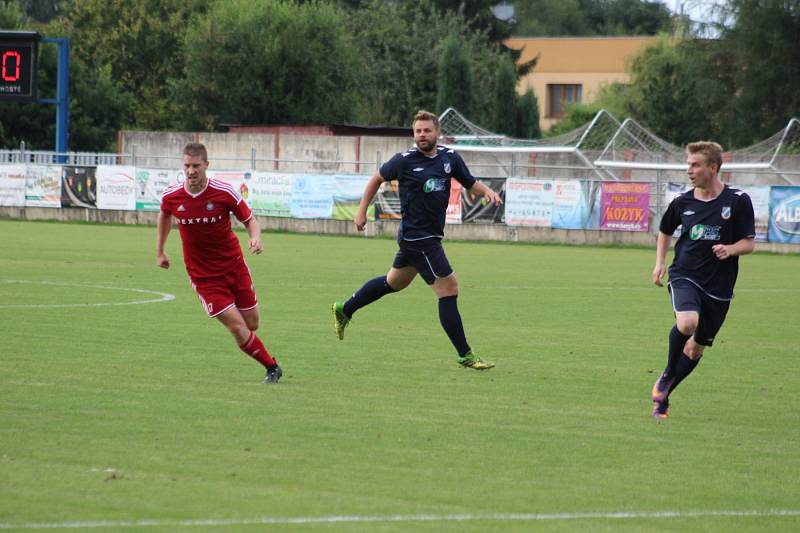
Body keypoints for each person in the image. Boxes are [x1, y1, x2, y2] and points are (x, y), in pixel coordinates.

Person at [332, 110, 503, 370]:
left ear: (437, 132)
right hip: (418, 237)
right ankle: (465, 355)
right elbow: (376, 179)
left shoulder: (449, 158)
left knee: (394, 283)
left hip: (427, 236)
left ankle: (345, 308)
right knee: (449, 289)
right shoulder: (403, 161)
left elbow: (469, 182)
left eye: (427, 130)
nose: (422, 135)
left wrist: (487, 191)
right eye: (418, 131)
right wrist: (360, 211)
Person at [156, 142, 282, 383]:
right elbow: (164, 214)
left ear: (206, 165)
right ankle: (272, 367)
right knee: (236, 326)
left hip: (234, 266)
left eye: (195, 166)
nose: (191, 171)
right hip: (204, 277)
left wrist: (255, 238)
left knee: (252, 323)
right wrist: (160, 250)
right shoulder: (172, 196)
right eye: (186, 166)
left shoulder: (224, 192)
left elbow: (250, 219)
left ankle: (258, 349)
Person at [651, 141, 755, 418]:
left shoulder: (737, 201)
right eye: (688, 164)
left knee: (696, 350)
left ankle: (663, 397)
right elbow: (664, 230)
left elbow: (748, 243)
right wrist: (660, 263)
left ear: (713, 167)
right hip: (685, 274)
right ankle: (668, 373)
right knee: (687, 323)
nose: (690, 170)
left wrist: (730, 249)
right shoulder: (682, 202)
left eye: (695, 165)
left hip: (720, 287)